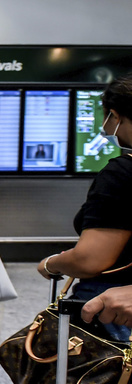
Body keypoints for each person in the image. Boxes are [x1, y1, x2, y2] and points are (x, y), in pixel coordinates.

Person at [38, 74, 132, 343]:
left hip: (112, 317)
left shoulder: (122, 173)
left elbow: (90, 260)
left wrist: (51, 264)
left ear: (115, 115)